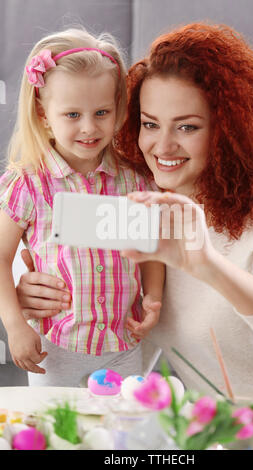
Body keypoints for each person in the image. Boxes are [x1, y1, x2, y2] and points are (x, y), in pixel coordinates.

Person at [15, 23, 253, 442]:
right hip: (216, 438)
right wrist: (31, 290)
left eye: (187, 127)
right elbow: (100, 298)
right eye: (150, 123)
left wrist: (207, 265)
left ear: (227, 132)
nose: (162, 146)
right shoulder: (134, 207)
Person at [0, 28, 165, 387]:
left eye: (101, 112)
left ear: (118, 109)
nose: (89, 128)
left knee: (123, 435)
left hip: (124, 345)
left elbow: (148, 248)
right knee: (61, 436)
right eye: (72, 114)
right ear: (44, 114)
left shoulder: (135, 181)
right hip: (56, 348)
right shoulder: (30, 183)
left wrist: (153, 297)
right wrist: (14, 324)